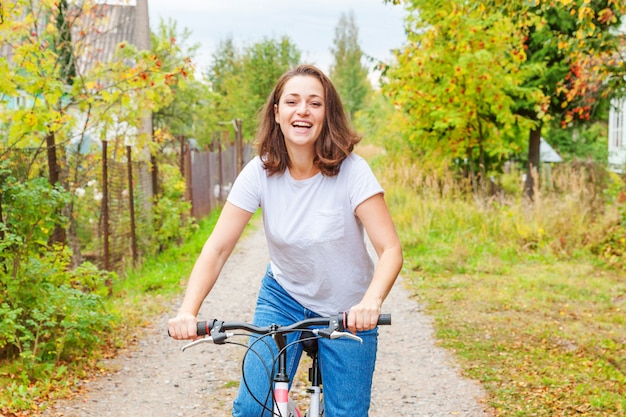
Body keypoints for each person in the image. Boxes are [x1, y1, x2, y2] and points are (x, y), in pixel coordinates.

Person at [168, 64, 403, 417]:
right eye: (292, 101)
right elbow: (217, 249)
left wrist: (370, 302)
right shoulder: (259, 172)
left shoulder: (353, 172)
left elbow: (390, 250)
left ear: (328, 114)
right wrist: (188, 310)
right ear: (277, 113)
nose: (302, 111)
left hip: (349, 307)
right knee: (251, 409)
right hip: (284, 297)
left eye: (314, 103)